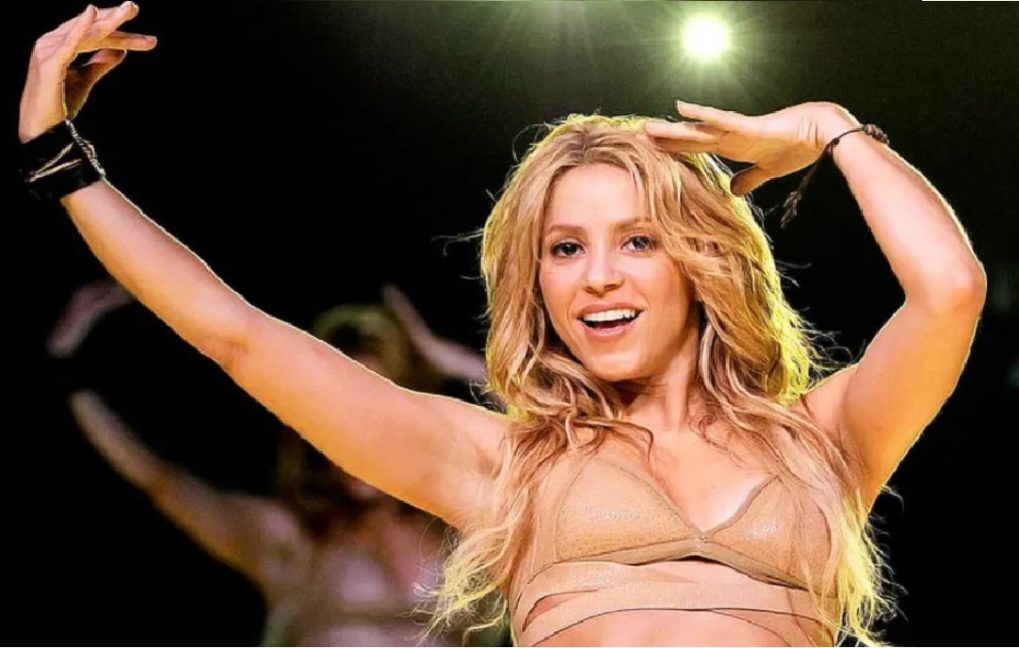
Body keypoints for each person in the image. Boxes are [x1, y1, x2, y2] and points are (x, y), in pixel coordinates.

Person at [19, 4, 987, 646]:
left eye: (636, 240)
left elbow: (947, 290)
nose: (596, 276)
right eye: (563, 248)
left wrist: (829, 127)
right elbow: (236, 335)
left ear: (700, 262)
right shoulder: (501, 463)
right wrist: (57, 157)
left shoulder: (823, 439)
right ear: (537, 283)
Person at [48, 276, 507, 646]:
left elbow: (543, 448)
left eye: (380, 411)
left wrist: (452, 362)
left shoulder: (473, 534)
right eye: (341, 412)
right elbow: (160, 480)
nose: (362, 432)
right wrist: (70, 373)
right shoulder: (290, 544)